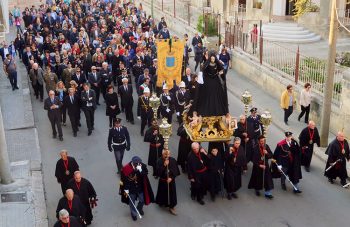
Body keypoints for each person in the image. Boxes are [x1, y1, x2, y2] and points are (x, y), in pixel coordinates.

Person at [120, 156, 154, 221]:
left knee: (142, 200)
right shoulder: (127, 168)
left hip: (140, 187)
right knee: (132, 202)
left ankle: (139, 208)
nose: (138, 164)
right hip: (131, 188)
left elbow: (145, 175)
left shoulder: (142, 166)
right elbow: (124, 180)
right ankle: (134, 214)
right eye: (136, 163)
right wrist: (126, 189)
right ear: (133, 163)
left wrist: (141, 170)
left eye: (139, 163)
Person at [195, 51, 228, 117]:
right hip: (208, 80)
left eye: (214, 59)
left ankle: (218, 109)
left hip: (215, 80)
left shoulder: (216, 64)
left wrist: (221, 73)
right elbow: (203, 71)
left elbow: (221, 70)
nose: (213, 60)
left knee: (217, 93)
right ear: (210, 59)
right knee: (207, 93)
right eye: (212, 59)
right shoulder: (207, 64)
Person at [155, 149, 180, 215]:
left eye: (168, 154)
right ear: (162, 154)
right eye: (165, 154)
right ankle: (161, 202)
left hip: (171, 181)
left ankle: (171, 207)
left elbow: (176, 171)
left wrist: (171, 178)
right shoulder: (159, 161)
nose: (167, 156)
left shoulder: (173, 160)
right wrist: (164, 165)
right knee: (162, 193)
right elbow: (157, 173)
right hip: (163, 181)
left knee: (171, 194)